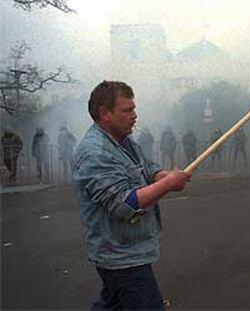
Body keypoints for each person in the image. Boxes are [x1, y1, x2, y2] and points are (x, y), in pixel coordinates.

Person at [72, 80, 190, 310]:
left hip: (126, 250)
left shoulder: (124, 141)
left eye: (134, 108)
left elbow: (147, 168)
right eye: (127, 110)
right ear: (105, 114)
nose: (134, 115)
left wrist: (163, 176)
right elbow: (123, 204)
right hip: (121, 257)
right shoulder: (96, 153)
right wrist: (168, 183)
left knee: (114, 304)